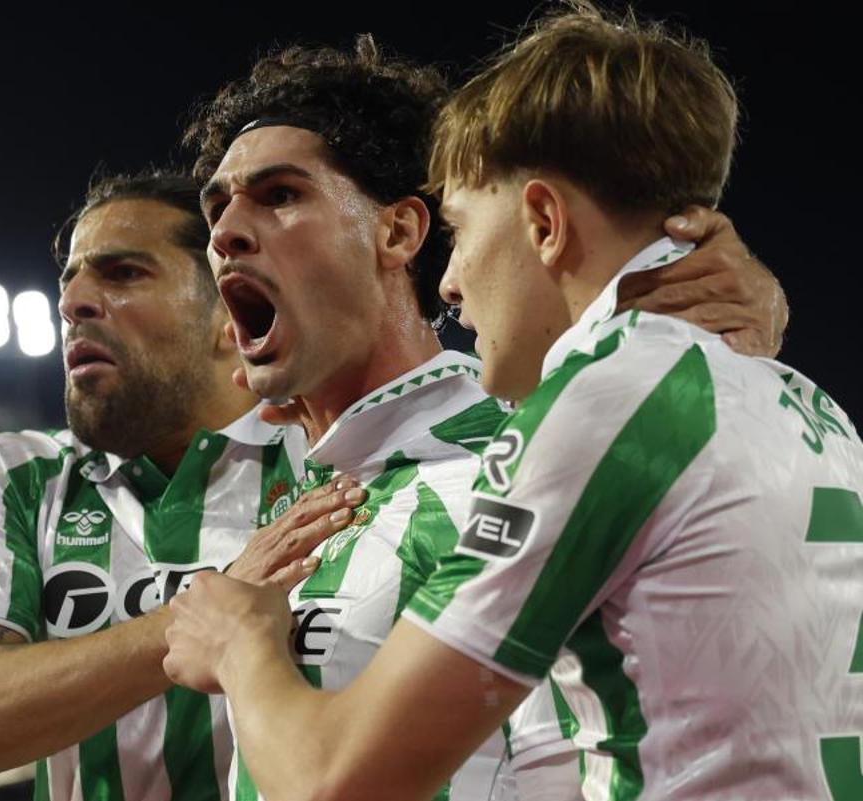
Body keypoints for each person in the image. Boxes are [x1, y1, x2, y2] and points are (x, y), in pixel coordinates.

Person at [171, 26, 802, 801]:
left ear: (403, 231)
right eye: (216, 211)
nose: (226, 234)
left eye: (280, 196)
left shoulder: (525, 448)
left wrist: (239, 643)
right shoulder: (259, 461)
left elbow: (348, 779)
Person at [0, 170, 366, 799]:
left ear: (228, 314)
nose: (73, 304)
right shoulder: (15, 475)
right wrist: (215, 608)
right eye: (69, 282)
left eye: (122, 274)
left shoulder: (334, 459)